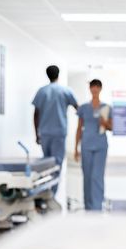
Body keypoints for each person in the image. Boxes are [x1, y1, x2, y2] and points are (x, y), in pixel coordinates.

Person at [32, 65, 78, 194]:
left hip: (45, 133)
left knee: (46, 164)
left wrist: (37, 134)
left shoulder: (42, 91)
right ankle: (52, 193)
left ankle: (46, 191)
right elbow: (78, 108)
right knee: (57, 164)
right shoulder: (65, 91)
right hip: (59, 133)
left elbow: (36, 114)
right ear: (59, 75)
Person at [74, 79, 113, 210]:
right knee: (87, 175)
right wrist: (76, 149)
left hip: (101, 145)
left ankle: (97, 205)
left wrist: (104, 123)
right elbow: (79, 128)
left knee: (97, 175)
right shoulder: (84, 108)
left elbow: (112, 127)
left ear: (100, 89)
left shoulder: (106, 108)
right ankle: (88, 205)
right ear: (90, 89)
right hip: (86, 145)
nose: (95, 89)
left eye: (97, 87)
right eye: (92, 87)